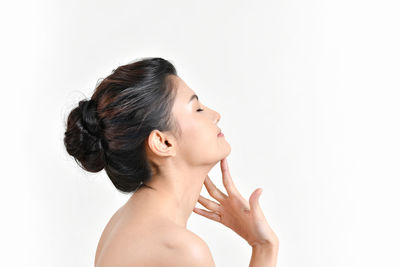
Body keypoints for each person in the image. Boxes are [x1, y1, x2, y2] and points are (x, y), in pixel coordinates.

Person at [64, 57, 279, 267]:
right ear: (163, 142)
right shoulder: (181, 250)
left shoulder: (122, 222)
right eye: (198, 109)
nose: (216, 115)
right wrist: (264, 246)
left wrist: (262, 245)